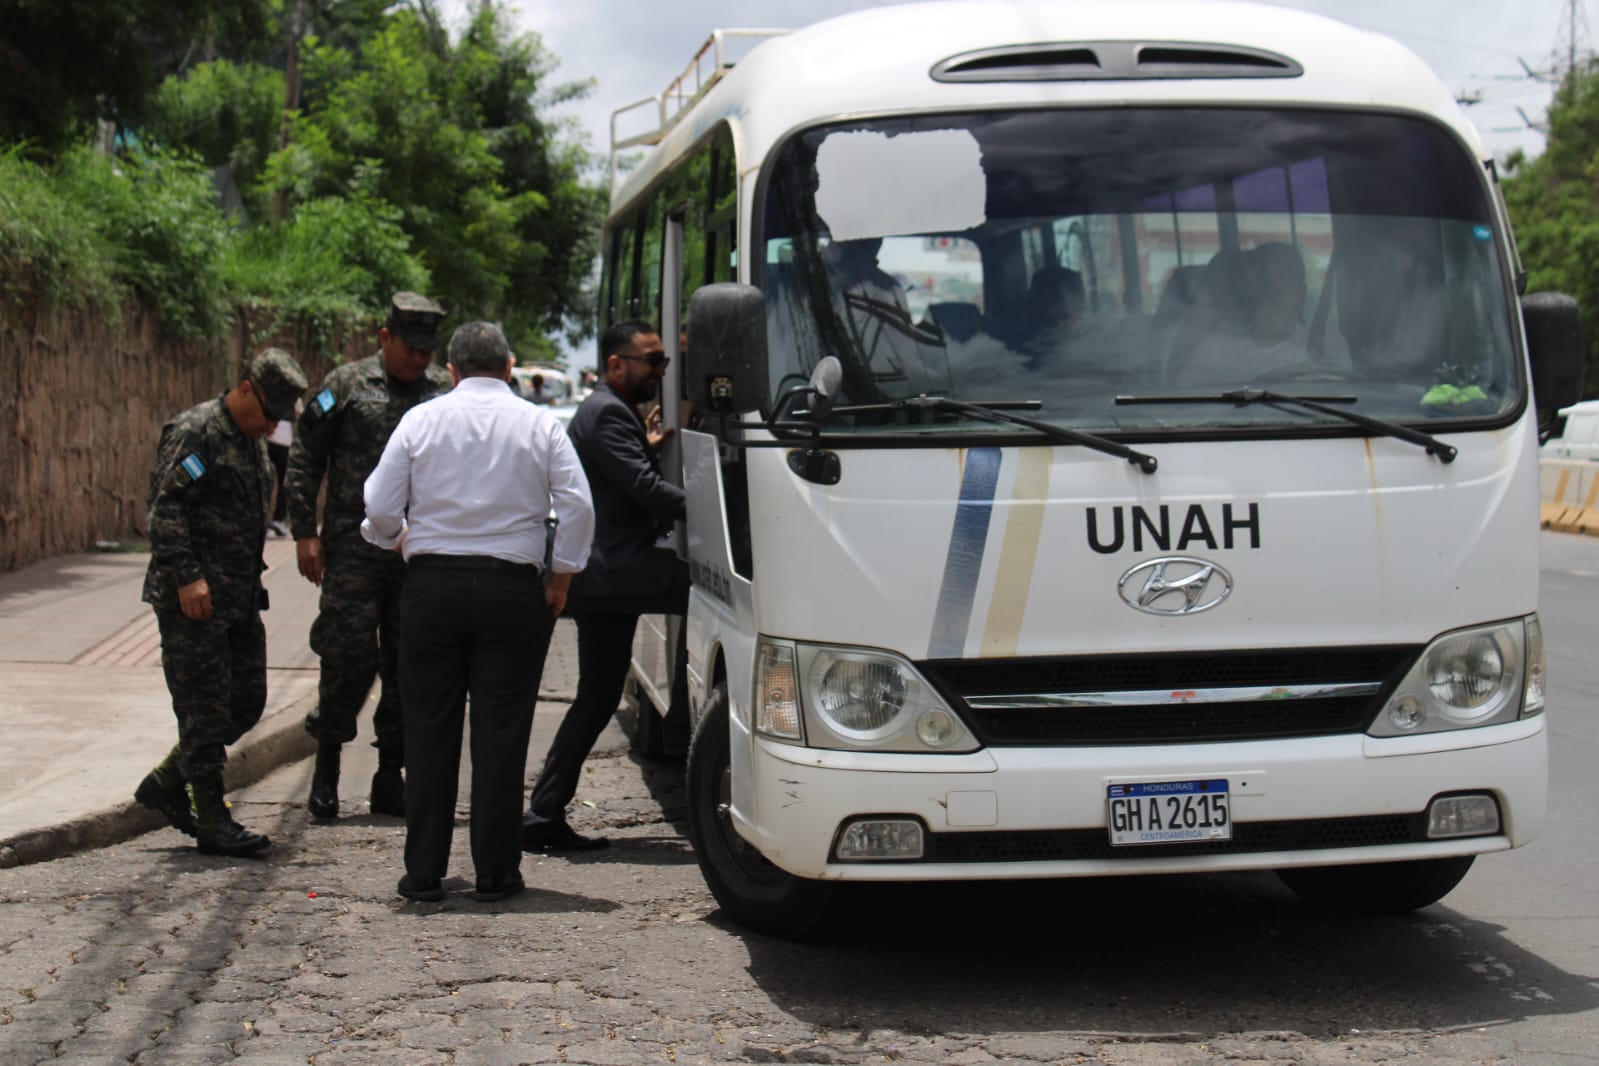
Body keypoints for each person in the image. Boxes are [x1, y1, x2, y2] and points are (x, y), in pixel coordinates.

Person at [362, 321, 594, 903]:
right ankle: (495, 871)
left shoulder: (421, 419)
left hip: (430, 588)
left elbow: (379, 503)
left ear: (453, 370)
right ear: (510, 367)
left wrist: (391, 535)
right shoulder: (540, 423)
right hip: (510, 590)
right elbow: (578, 506)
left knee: (429, 729)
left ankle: (423, 873)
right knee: (502, 731)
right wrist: (560, 574)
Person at [134, 347, 309, 858]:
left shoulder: (252, 440)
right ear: (247, 388)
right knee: (203, 710)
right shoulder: (197, 431)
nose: (273, 424)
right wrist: (187, 576)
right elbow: (163, 509)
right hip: (192, 601)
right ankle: (213, 819)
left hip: (237, 598)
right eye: (269, 412)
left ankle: (167, 780)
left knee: (247, 701)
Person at [522, 320, 689, 853]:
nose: (661, 371)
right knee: (710, 588)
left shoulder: (612, 412)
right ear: (617, 365)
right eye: (653, 361)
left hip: (604, 573)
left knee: (595, 700)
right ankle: (688, 725)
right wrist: (712, 507)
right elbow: (640, 486)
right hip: (616, 569)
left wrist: (652, 441)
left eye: (664, 361)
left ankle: (543, 813)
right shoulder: (608, 411)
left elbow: (628, 469)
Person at [285, 292, 453, 820]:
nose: (418, 359)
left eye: (427, 350)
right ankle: (328, 767)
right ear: (385, 338)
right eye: (409, 347)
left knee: (409, 664)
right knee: (347, 656)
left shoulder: (444, 392)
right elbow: (305, 455)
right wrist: (304, 533)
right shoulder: (346, 385)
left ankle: (390, 775)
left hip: (418, 553)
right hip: (352, 549)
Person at [265, 419, 292, 537]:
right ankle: (277, 519)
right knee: (283, 483)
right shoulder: (295, 401)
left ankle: (275, 520)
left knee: (269, 481)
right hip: (282, 443)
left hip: (271, 441)